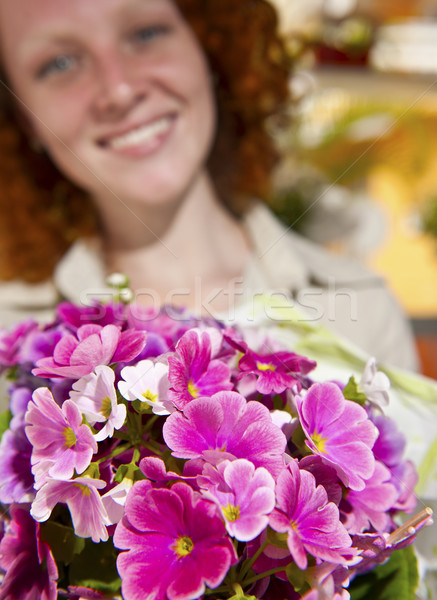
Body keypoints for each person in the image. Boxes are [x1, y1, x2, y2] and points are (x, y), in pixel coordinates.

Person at [0, 0, 418, 374]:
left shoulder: (363, 310)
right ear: (22, 118)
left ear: (208, 47)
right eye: (59, 64)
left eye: (145, 33)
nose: (119, 90)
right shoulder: (11, 339)